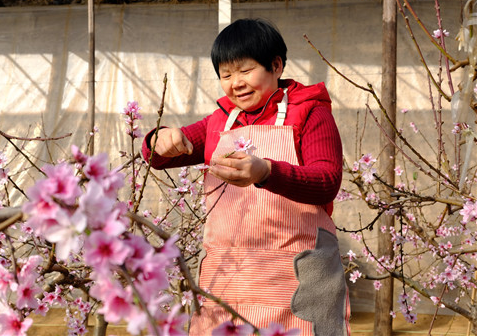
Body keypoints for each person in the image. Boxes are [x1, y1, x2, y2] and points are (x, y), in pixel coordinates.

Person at [142, 19, 350, 335]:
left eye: (245, 71)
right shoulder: (220, 122)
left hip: (297, 277)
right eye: (225, 75)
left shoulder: (309, 112)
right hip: (229, 279)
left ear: (276, 65)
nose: (235, 82)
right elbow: (160, 156)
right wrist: (158, 138)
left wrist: (266, 172)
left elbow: (326, 180)